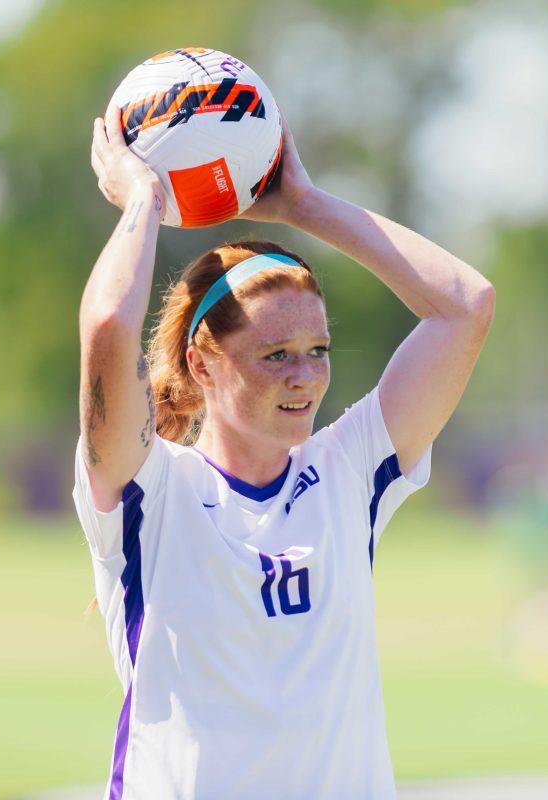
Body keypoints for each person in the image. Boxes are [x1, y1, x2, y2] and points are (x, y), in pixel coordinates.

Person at [74, 106, 494, 798]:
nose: (305, 377)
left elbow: (466, 306)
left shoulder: (348, 471)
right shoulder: (151, 491)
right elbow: (108, 325)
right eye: (275, 355)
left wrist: (304, 205)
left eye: (317, 351)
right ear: (202, 366)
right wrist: (145, 200)